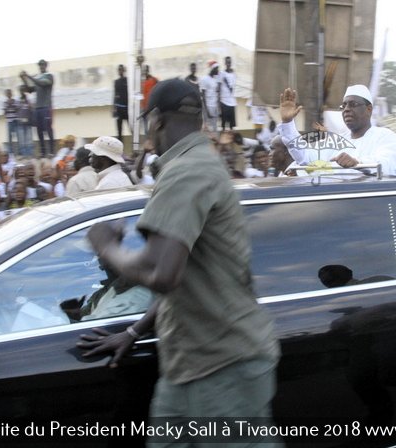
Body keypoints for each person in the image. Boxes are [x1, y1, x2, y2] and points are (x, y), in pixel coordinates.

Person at [77, 79, 280, 446]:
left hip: (223, 371)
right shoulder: (193, 166)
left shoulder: (187, 171)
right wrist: (135, 331)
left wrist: (106, 246)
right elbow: (186, 275)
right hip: (189, 367)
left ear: (155, 119)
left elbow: (160, 272)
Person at [278, 85, 396, 177]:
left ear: (369, 109)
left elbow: (389, 165)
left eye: (353, 104)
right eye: (344, 105)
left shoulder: (385, 136)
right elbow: (305, 156)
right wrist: (288, 123)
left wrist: (358, 163)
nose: (346, 109)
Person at [20, 59, 54, 158]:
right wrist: (24, 79)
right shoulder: (37, 78)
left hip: (46, 107)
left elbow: (42, 83)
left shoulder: (49, 76)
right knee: (39, 131)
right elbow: (29, 89)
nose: (41, 66)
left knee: (48, 129)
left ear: (46, 66)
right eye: (40, 65)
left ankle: (51, 151)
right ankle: (43, 152)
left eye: (43, 65)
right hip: (38, 107)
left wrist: (29, 76)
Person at [200, 60, 220, 132]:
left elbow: (216, 94)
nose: (218, 70)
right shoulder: (204, 79)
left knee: (214, 127)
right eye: (217, 68)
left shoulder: (215, 79)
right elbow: (203, 96)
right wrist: (207, 111)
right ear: (213, 69)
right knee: (208, 128)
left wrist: (218, 108)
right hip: (208, 107)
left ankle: (214, 142)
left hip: (214, 107)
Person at [219, 56, 237, 130]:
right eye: (227, 62)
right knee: (223, 123)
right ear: (225, 63)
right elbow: (219, 86)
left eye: (229, 62)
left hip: (232, 101)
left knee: (231, 124)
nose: (228, 64)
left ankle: (231, 139)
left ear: (231, 63)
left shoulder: (234, 74)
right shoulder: (222, 73)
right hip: (224, 101)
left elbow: (233, 87)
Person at [16, 85, 34, 158]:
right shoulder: (17, 99)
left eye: (24, 90)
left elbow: (32, 108)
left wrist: (27, 101)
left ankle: (29, 154)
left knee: (29, 139)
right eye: (21, 90)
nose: (22, 92)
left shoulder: (29, 99)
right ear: (19, 91)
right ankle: (23, 154)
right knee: (22, 140)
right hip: (20, 123)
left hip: (28, 122)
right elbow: (16, 109)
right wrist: (21, 101)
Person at [113, 64, 129, 141]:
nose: (120, 71)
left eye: (122, 70)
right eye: (119, 70)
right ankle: (120, 148)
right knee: (119, 131)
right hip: (119, 108)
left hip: (127, 108)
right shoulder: (116, 82)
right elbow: (115, 95)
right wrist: (114, 108)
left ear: (124, 70)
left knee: (131, 128)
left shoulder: (128, 80)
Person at [3, 88, 20, 154]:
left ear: (11, 94)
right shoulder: (5, 102)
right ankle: (10, 152)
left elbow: (17, 109)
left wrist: (11, 104)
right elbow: (5, 112)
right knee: (10, 137)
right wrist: (8, 105)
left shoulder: (15, 101)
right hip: (9, 121)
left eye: (9, 93)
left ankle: (19, 151)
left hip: (15, 120)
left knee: (18, 136)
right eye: (7, 93)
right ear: (6, 95)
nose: (9, 94)